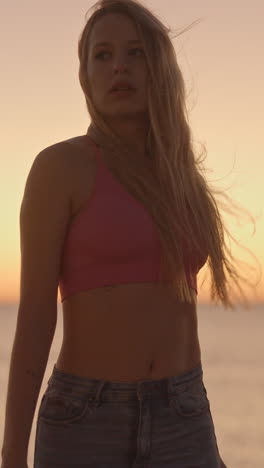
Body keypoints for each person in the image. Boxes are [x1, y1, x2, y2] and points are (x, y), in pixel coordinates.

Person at [3, 0, 257, 466]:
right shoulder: (61, 167)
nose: (119, 65)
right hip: (86, 420)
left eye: (135, 52)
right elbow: (37, 316)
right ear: (86, 77)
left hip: (183, 413)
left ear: (159, 67)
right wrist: (11, 452)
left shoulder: (181, 177)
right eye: (102, 54)